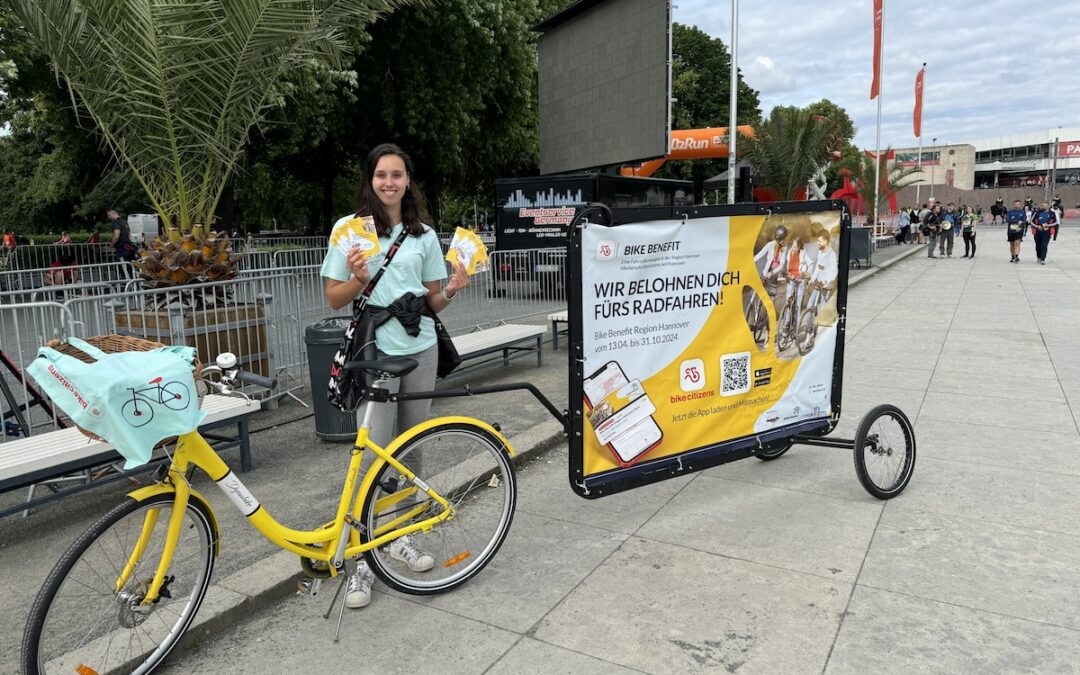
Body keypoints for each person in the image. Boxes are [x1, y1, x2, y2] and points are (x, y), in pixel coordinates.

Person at [321, 143, 468, 611]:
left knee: (412, 444)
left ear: (408, 180)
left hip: (421, 345)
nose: (389, 182)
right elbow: (333, 299)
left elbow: (430, 303)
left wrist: (451, 288)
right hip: (375, 350)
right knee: (372, 451)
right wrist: (360, 277)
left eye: (397, 175)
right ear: (370, 180)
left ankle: (404, 535)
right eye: (381, 175)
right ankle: (361, 559)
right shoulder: (349, 231)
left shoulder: (423, 235)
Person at [108, 209, 138, 277]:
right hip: (129, 248)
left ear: (112, 214)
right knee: (131, 269)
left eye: (109, 216)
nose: (109, 218)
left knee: (124, 270)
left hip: (122, 249)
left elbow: (116, 235)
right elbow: (129, 234)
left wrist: (111, 245)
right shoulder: (124, 221)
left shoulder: (115, 223)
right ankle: (135, 284)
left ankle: (129, 285)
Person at [1005, 198, 1027, 263]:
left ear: (1020, 205)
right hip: (1011, 231)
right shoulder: (1010, 212)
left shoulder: (1022, 212)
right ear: (1013, 205)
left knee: (1017, 243)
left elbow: (1024, 220)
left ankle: (1016, 256)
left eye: (1018, 204)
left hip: (1019, 230)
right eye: (1015, 204)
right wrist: (1017, 221)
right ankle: (1012, 256)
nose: (1017, 206)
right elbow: (1007, 220)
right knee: (1012, 244)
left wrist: (1021, 226)